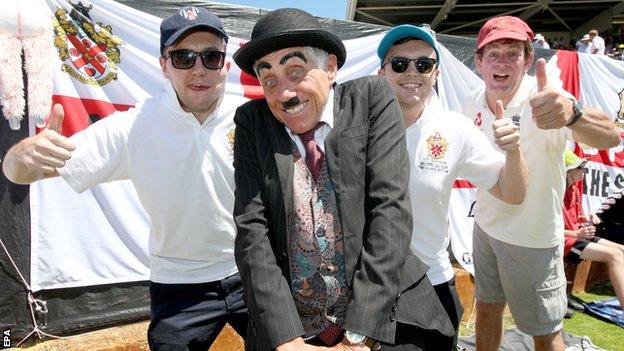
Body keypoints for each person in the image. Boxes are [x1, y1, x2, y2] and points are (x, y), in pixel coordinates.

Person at [2, 6, 248, 350]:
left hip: (248, 273)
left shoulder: (249, 119)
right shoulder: (132, 127)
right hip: (179, 285)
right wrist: (22, 154)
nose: (199, 69)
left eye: (210, 56)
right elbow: (19, 173)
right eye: (184, 57)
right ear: (164, 65)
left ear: (226, 64)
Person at [232, 8, 454, 351]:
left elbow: (390, 213)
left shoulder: (372, 100)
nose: (285, 93)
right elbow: (252, 231)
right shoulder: (252, 122)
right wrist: (287, 340)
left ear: (331, 68)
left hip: (382, 312)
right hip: (294, 324)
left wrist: (358, 335)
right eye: (269, 79)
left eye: (296, 71)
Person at [461, 15, 620, 351]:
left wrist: (574, 113)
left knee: (544, 334)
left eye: (512, 53)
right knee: (487, 311)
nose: (502, 62)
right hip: (486, 229)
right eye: (493, 53)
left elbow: (608, 136)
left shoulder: (546, 98)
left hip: (531, 240)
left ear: (528, 60)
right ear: (478, 62)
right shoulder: (472, 101)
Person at [376, 24, 527, 350]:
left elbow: (512, 193)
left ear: (437, 73)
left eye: (423, 64)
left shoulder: (454, 129)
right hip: (373, 287)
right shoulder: (357, 128)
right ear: (382, 72)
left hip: (432, 285)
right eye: (399, 64)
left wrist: (513, 152)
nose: (411, 72)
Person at [563, 150, 624, 309]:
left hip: (577, 236)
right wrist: (577, 233)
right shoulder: (556, 192)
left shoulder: (575, 190)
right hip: (566, 241)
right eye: (580, 167)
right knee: (615, 255)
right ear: (569, 171)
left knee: (622, 249)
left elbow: (575, 219)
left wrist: (587, 218)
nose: (584, 170)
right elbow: (548, 228)